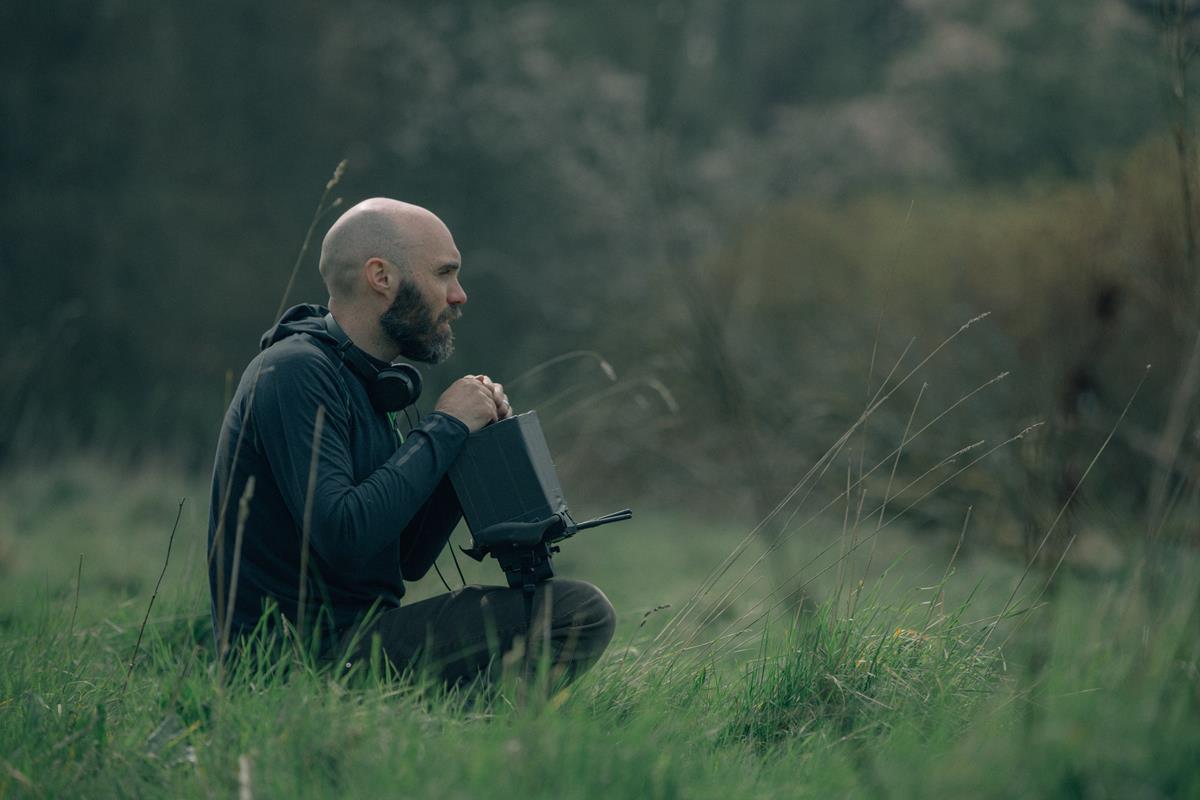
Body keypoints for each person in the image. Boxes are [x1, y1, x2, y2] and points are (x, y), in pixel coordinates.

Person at [208, 198, 615, 686]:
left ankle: (456, 735)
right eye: (445, 274)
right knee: (580, 612)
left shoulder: (369, 382)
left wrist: (462, 443)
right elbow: (343, 535)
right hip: (294, 662)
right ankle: (480, 743)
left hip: (349, 643)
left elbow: (405, 558)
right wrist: (445, 427)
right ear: (381, 276)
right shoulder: (295, 372)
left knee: (563, 609)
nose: (459, 295)